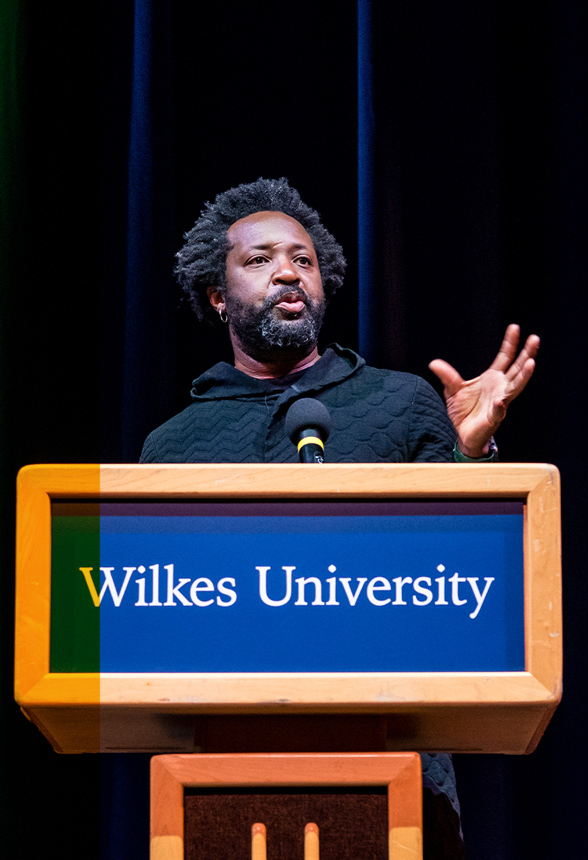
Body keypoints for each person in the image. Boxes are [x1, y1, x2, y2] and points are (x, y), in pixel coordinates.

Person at [140, 177, 539, 858]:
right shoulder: (174, 445)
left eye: (303, 258)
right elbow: (152, 615)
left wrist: (470, 452)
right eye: (260, 260)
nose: (289, 271)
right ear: (216, 293)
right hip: (224, 781)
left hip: (398, 772)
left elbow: (466, 576)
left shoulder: (400, 402)